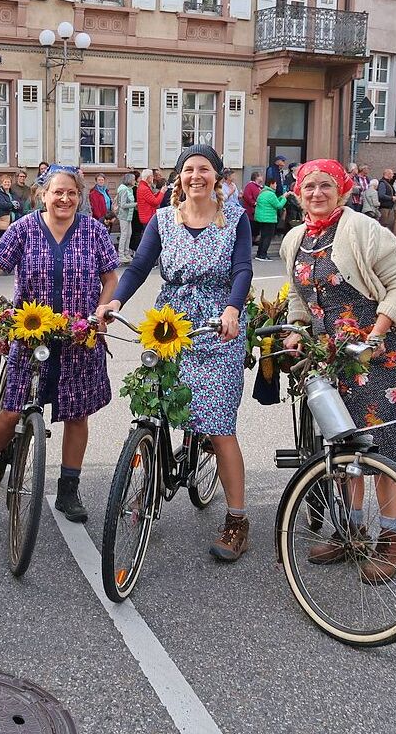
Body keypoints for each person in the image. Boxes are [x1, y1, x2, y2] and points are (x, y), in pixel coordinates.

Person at [99, 145, 254, 562]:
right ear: (179, 177)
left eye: (204, 168)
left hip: (219, 325)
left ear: (217, 177)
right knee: (156, 408)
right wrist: (115, 303)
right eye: (189, 169)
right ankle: (149, 482)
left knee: (219, 425)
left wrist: (232, 309)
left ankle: (237, 520)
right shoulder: (164, 219)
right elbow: (136, 267)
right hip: (172, 323)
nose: (196, 175)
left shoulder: (235, 218)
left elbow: (243, 269)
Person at [279, 159, 396, 583]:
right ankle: (351, 532)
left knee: (380, 453)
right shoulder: (295, 238)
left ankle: (391, 542)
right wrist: (297, 330)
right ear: (297, 193)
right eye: (308, 187)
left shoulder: (361, 229)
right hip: (332, 360)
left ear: (343, 190)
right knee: (342, 455)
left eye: (325, 185)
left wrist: (378, 332)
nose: (316, 193)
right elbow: (298, 292)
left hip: (376, 359)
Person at [0, 166, 119, 522]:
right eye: (57, 192)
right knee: (11, 411)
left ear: (79, 197)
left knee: (77, 414)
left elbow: (111, 277)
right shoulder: (24, 229)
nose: (64, 199)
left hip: (79, 336)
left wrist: (104, 307)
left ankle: (69, 489)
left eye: (71, 193)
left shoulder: (93, 231)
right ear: (43, 195)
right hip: (31, 333)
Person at [253, 177, 291, 261]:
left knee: (263, 236)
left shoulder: (263, 192)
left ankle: (259, 254)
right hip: (268, 219)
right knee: (267, 237)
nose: (276, 185)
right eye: (275, 184)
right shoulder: (270, 194)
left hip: (261, 218)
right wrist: (284, 198)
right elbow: (279, 205)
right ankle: (263, 255)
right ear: (271, 184)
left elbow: (275, 202)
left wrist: (281, 197)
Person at [133, 169, 165, 251]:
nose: (153, 178)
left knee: (146, 238)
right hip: (148, 216)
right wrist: (162, 192)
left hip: (146, 216)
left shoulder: (143, 186)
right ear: (148, 178)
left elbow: (151, 198)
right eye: (151, 176)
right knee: (149, 240)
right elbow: (155, 202)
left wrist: (158, 193)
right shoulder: (144, 188)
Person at [116, 173, 137, 263]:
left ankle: (126, 253)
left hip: (129, 215)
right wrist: (135, 204)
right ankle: (121, 254)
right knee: (124, 235)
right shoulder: (124, 190)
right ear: (129, 180)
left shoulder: (129, 189)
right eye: (133, 180)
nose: (134, 181)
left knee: (129, 234)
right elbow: (123, 205)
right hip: (124, 215)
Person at [0, 174, 18, 238]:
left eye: (9, 182)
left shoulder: (12, 193)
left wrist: (16, 205)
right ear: (1, 183)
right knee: (3, 239)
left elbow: (18, 204)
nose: (7, 183)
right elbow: (2, 205)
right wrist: (12, 204)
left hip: (13, 220)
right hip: (4, 220)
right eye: (5, 182)